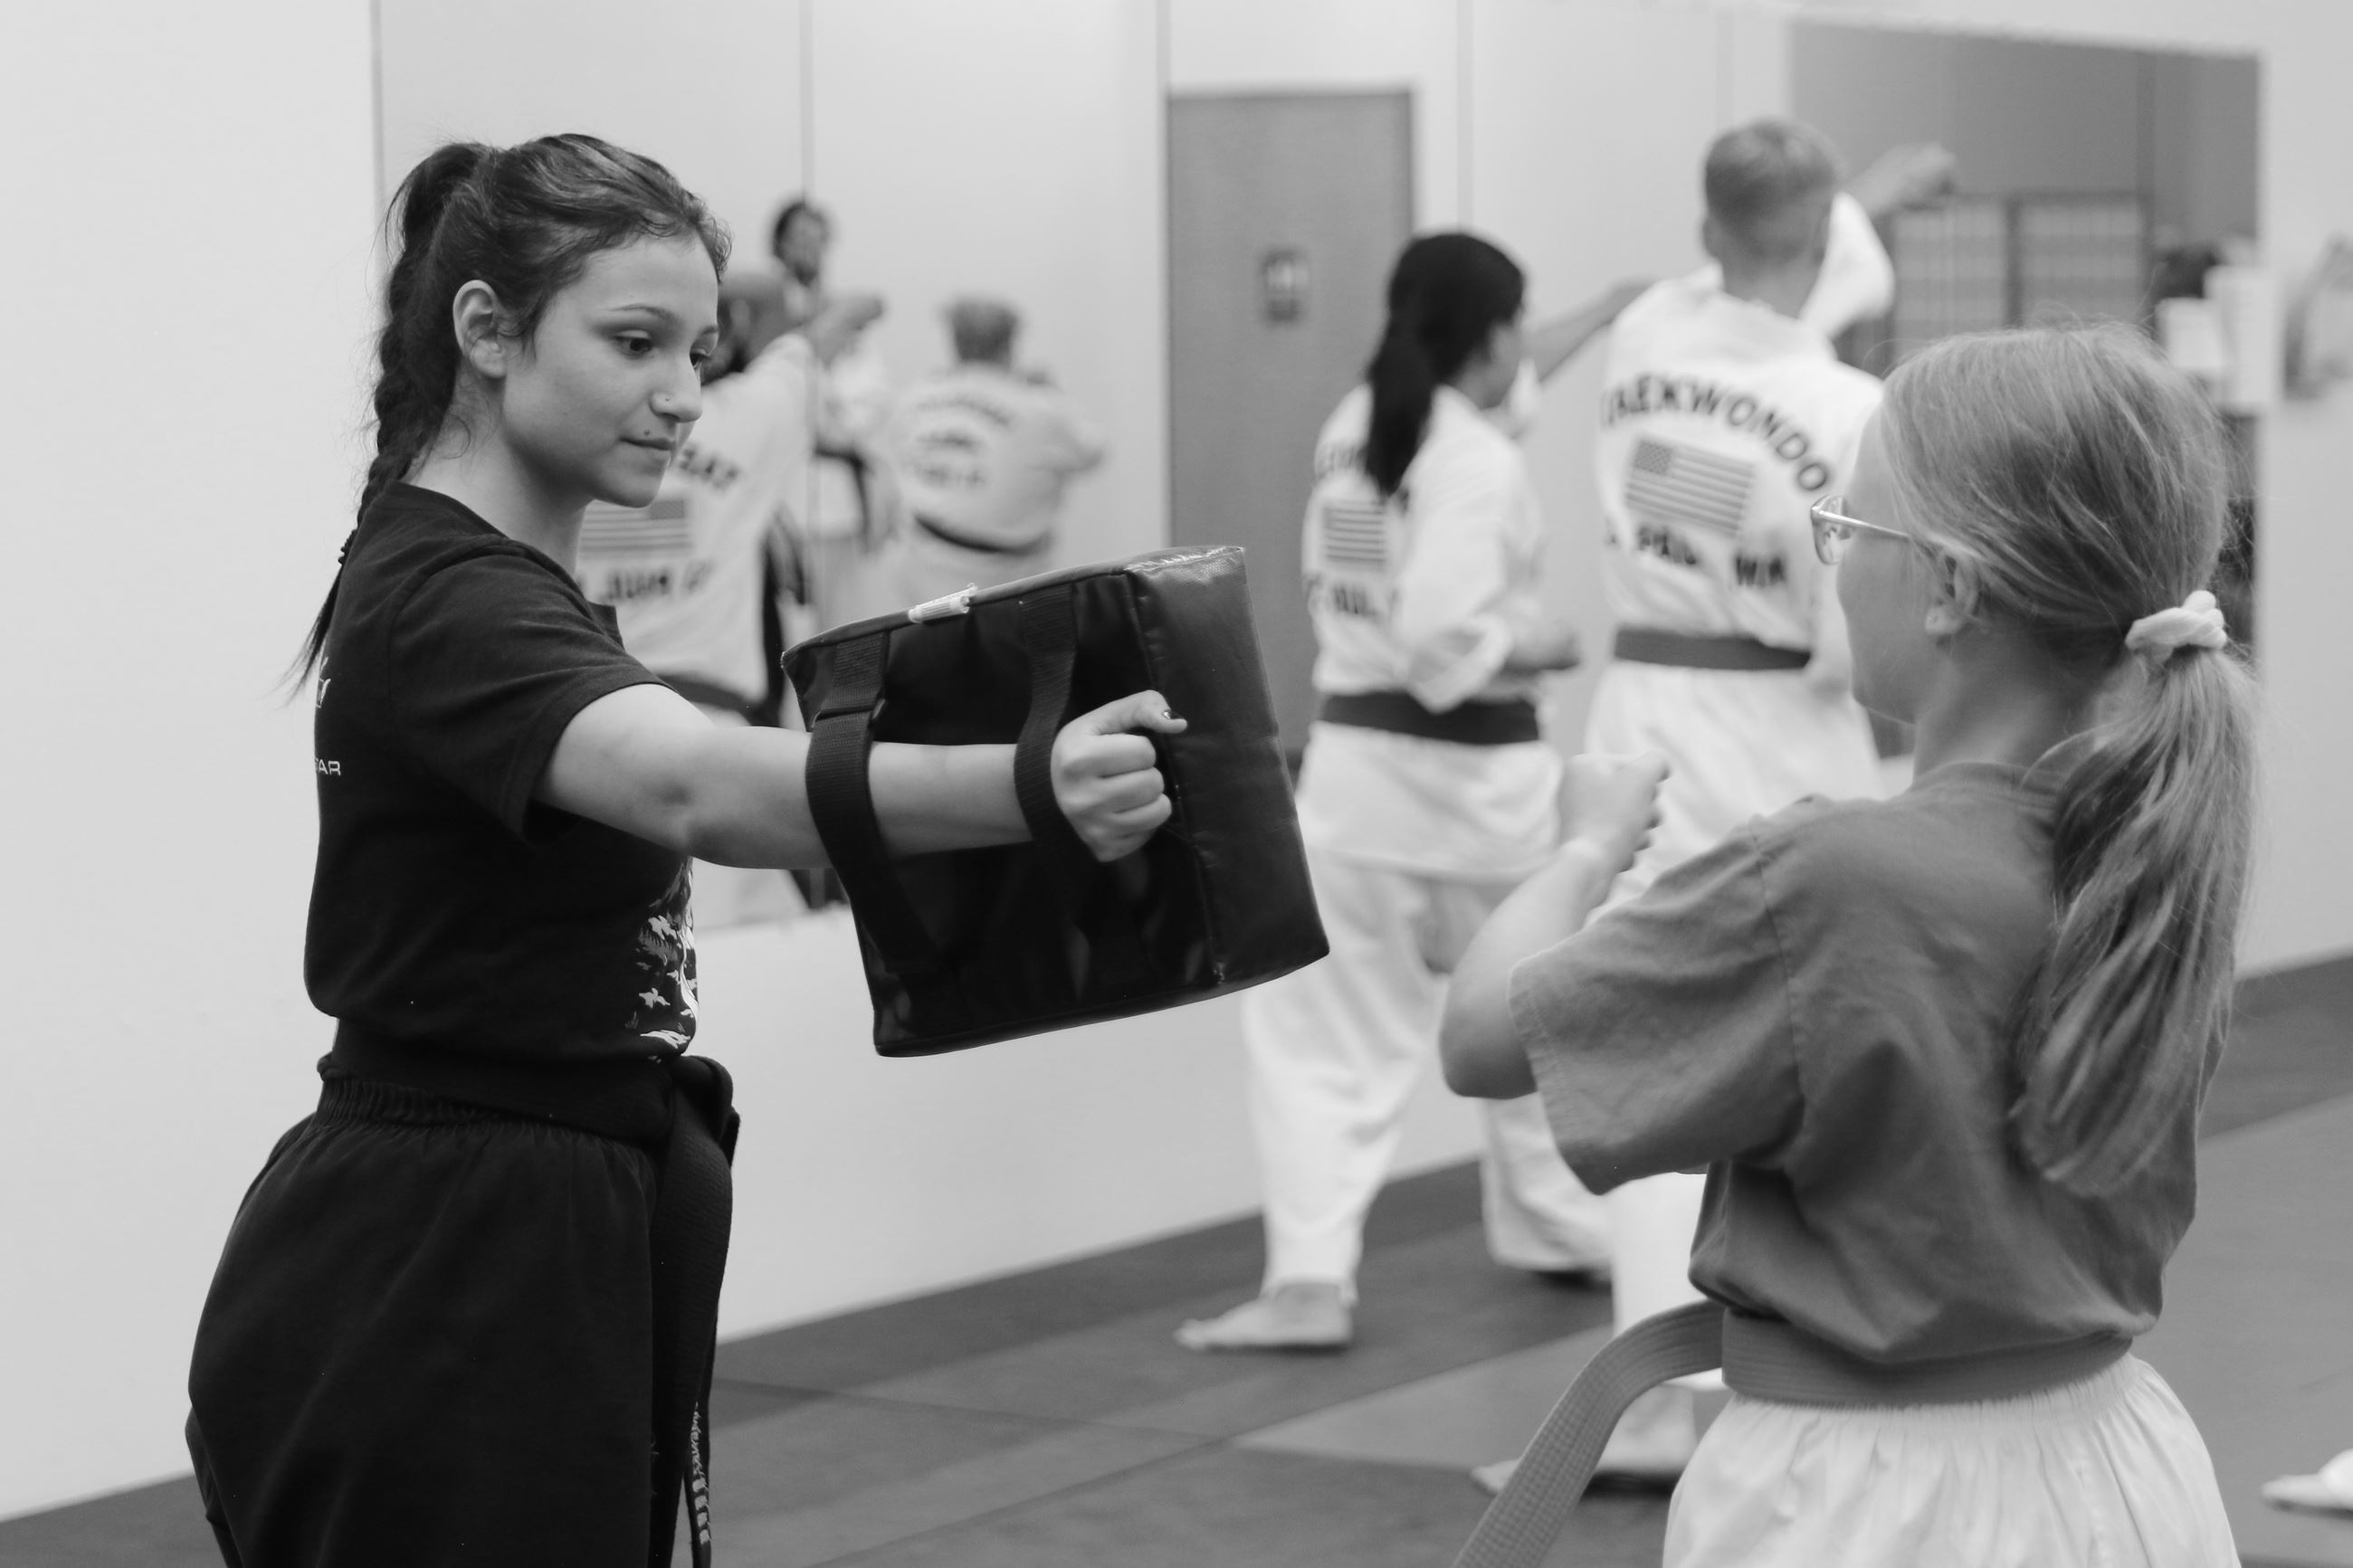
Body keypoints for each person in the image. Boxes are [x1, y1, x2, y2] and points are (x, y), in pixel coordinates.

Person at [184, 134, 1180, 1568]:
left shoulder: (491, 576)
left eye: (702, 348)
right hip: (436, 1264)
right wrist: (1031, 781)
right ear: (486, 331)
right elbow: (702, 788)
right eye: (636, 341)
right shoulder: (446, 598)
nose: (682, 396)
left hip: (520, 1224)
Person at [1443, 322, 2249, 1567]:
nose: (1835, 565)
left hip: (1866, 1506)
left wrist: (1584, 848)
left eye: (1850, 530)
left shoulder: (1829, 884)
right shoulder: (2153, 852)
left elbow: (1483, 1035)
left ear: (1951, 586)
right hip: (2129, 1470)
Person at [1176, 233, 1610, 1354]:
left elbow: (1488, 424)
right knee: (1534, 1018)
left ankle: (1310, 1280)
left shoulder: (1357, 421)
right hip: (1477, 796)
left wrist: (1603, 309)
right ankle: (1567, 1225)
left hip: (1357, 794)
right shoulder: (1473, 459)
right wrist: (1545, 638)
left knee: (1320, 1042)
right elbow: (1438, 634)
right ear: (1496, 333)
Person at [1555, 118, 1894, 1478]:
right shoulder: (1846, 408)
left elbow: (1772, 245)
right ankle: (1810, 1354)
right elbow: (1858, 631)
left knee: (1648, 1037)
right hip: (1786, 729)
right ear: (1825, 243)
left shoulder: (1643, 341)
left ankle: (1647, 1396)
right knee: (1819, 1043)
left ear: (1704, 236)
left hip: (1637, 723)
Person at [573, 269, 817, 927]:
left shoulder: (563, 435)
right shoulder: (742, 420)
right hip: (712, 739)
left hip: (588, 753)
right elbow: (790, 340)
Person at [880, 296, 1107, 609]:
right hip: (1008, 577)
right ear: (1011, 343)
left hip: (921, 561)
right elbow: (1092, 452)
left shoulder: (917, 396)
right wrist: (1053, 393)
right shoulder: (1038, 408)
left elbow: (895, 451)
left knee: (929, 654)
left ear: (955, 342)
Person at [771, 196, 897, 626]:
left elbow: (874, 394)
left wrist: (833, 415)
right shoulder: (764, 310)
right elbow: (772, 397)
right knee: (791, 625)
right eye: (799, 238)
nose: (809, 249)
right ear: (779, 244)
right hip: (782, 490)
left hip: (840, 493)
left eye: (818, 239)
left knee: (845, 623)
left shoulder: (847, 315)